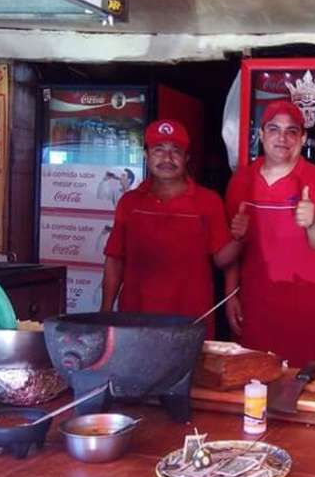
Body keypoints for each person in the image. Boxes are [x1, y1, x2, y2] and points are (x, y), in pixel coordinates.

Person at [101, 119, 241, 338]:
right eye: (159, 150)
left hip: (192, 323)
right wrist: (105, 311)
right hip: (135, 321)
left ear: (186, 158)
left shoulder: (208, 201)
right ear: (146, 155)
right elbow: (115, 259)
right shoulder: (130, 203)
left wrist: (240, 238)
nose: (167, 158)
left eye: (175, 151)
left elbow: (222, 259)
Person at [224, 101, 315, 368]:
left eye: (291, 131)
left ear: (303, 137)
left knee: (303, 385)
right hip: (256, 303)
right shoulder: (241, 180)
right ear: (261, 135)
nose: (282, 138)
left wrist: (312, 222)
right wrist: (230, 295)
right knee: (252, 381)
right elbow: (233, 247)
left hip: (307, 306)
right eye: (274, 129)